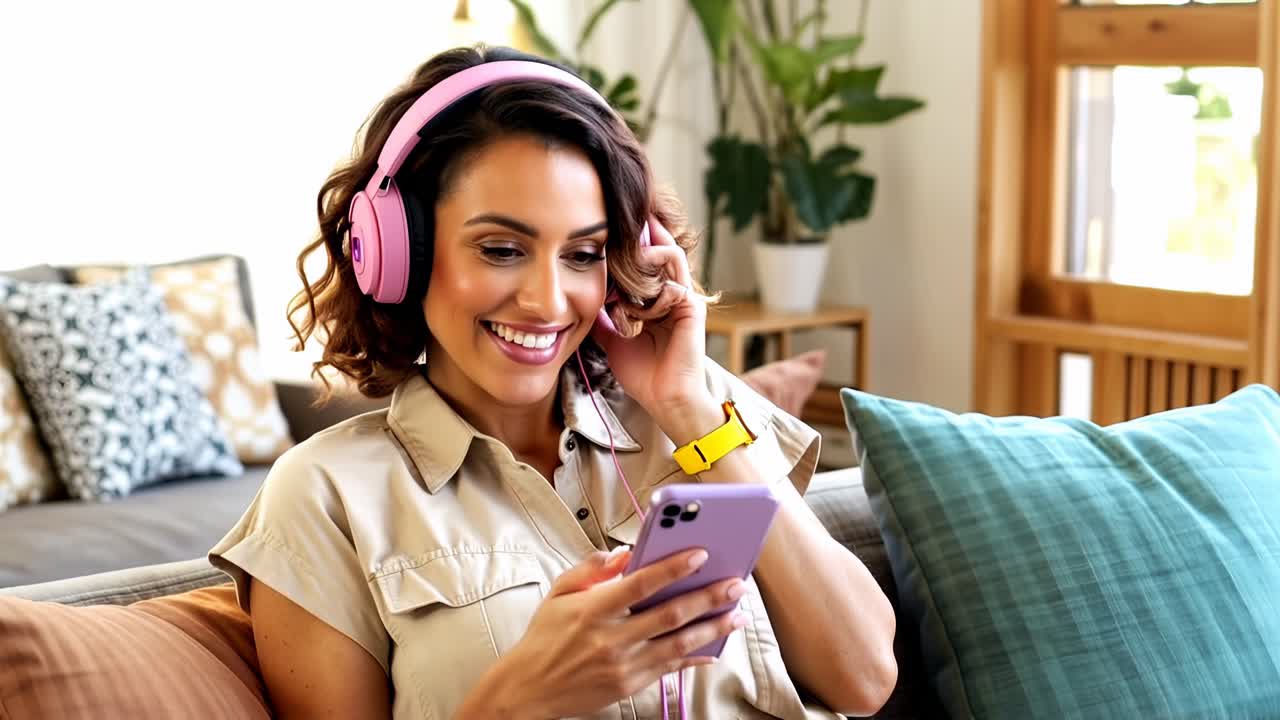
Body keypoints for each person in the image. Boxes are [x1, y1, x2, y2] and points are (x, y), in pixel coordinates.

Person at [209, 45, 896, 719]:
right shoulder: (325, 498)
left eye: (584, 254)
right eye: (502, 250)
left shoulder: (700, 408)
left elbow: (864, 677)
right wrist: (521, 699)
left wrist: (688, 409)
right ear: (397, 254)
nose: (548, 300)